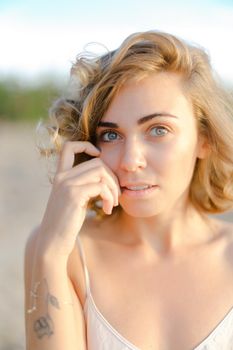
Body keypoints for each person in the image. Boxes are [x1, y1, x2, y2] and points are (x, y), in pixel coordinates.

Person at [24, 30, 233, 350]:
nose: (130, 160)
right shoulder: (64, 252)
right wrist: (50, 254)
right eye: (111, 135)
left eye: (158, 130)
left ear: (204, 138)